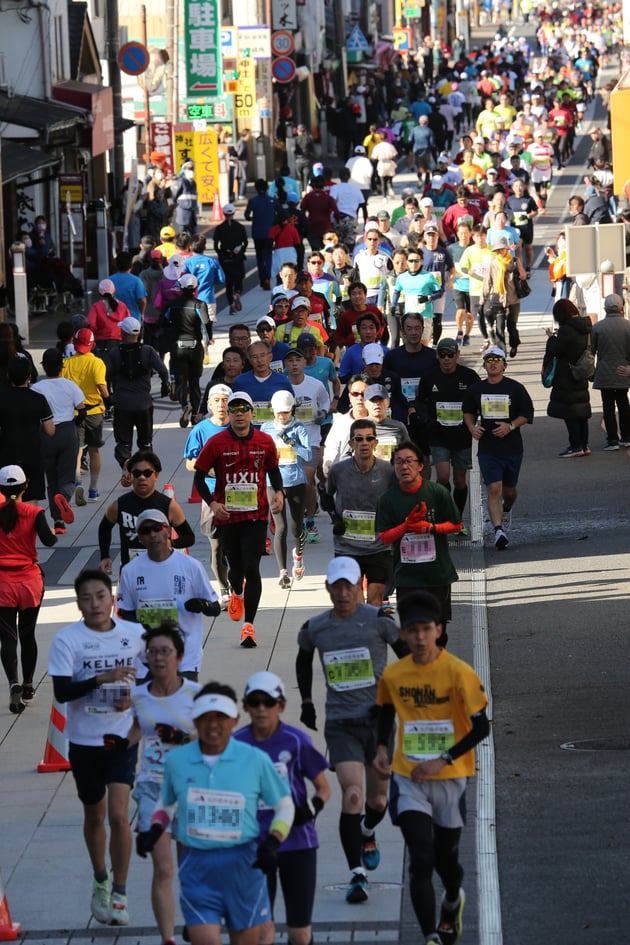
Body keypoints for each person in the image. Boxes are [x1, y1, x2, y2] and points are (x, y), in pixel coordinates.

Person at [136, 681, 294, 945]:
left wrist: (273, 842)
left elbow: (285, 806)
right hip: (197, 865)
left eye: (220, 717)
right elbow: (166, 803)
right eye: (204, 718)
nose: (212, 725)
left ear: (234, 719)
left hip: (243, 864)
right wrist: (154, 830)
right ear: (194, 721)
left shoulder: (255, 760)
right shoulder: (177, 760)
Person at [374, 590, 489, 945]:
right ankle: (429, 937)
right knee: (420, 857)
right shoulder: (394, 674)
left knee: (446, 860)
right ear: (404, 634)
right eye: (413, 631)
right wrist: (381, 747)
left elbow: (482, 726)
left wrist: (445, 758)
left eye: (426, 629)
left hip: (450, 779)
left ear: (438, 630)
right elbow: (386, 710)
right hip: (408, 777)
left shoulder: (459, 673)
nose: (420, 637)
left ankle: (453, 899)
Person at [296, 556, 407, 904]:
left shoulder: (378, 621)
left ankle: (368, 830)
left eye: (349, 586)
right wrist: (307, 703)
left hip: (378, 723)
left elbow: (407, 657)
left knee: (377, 800)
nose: (343, 593)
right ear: (327, 588)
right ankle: (356, 874)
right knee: (353, 796)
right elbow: (302, 658)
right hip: (341, 724)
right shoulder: (315, 627)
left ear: (359, 587)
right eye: (336, 586)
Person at [47, 569, 145, 926]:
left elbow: (149, 679)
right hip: (84, 741)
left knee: (120, 815)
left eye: (101, 596)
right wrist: (100, 679)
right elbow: (62, 692)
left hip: (119, 739)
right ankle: (100, 877)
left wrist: (133, 700)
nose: (95, 604)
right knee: (95, 816)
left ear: (112, 599)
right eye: (87, 598)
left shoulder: (134, 636)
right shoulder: (67, 640)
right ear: (78, 604)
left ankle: (119, 891)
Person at [234, 671, 330, 945]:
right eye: (255, 702)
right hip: (255, 845)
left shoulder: (296, 740)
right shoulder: (237, 744)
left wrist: (310, 810)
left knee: (299, 935)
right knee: (263, 932)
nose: (262, 709)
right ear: (246, 705)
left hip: (297, 843)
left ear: (282, 705)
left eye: (269, 702)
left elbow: (324, 788)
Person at [193, 391, 285, 648]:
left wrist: (279, 492)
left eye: (245, 408)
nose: (240, 413)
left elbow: (273, 470)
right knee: (235, 567)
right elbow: (199, 477)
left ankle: (249, 627)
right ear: (230, 413)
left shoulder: (265, 441)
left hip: (256, 515)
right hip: (227, 516)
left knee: (252, 567)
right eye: (235, 409)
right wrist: (213, 504)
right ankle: (236, 592)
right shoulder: (217, 442)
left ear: (252, 413)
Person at [130, 623, 201, 945]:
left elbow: (215, 739)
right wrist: (114, 746)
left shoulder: (196, 696)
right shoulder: (138, 696)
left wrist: (183, 737)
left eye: (165, 652)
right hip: (152, 788)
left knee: (190, 869)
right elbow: (133, 732)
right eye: (153, 652)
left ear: (179, 657)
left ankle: (194, 920)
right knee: (163, 868)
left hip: (189, 789)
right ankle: (167, 939)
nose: (158, 658)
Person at [116, 509, 220, 680]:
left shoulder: (191, 566)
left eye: (157, 528)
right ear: (139, 538)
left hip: (185, 658)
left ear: (168, 530)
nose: (152, 534)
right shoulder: (130, 571)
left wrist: (202, 604)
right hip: (146, 660)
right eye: (145, 531)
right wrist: (144, 627)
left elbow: (214, 607)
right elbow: (125, 613)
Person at [376, 442, 462, 644]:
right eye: (398, 462)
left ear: (421, 465)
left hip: (437, 576)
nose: (404, 467)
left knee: (438, 634)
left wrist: (431, 528)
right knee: (412, 634)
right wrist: (406, 526)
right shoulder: (387, 499)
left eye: (409, 461)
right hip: (407, 578)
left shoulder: (437, 492)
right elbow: (384, 537)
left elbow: (456, 525)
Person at [462, 346, 534, 551]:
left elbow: (527, 413)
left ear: (504, 365)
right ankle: (498, 531)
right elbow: (467, 411)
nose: (492, 363)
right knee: (494, 488)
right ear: (484, 365)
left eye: (497, 359)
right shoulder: (476, 389)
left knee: (509, 491)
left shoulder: (515, 388)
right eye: (489, 360)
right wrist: (471, 427)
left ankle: (507, 507)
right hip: (488, 448)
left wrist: (510, 426)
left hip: (512, 448)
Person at [0, 465, 56, 713]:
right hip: (29, 581)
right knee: (27, 633)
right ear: (25, 486)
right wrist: (55, 529)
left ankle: (13, 683)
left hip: (3, 583)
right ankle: (29, 685)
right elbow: (49, 540)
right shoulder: (34, 513)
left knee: (7, 636)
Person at [325, 418, 397, 605]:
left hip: (378, 547)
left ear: (375, 443)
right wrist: (335, 519)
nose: (364, 443)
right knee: (355, 603)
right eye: (359, 439)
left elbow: (398, 499)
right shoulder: (338, 470)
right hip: (347, 546)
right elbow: (325, 495)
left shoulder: (388, 471)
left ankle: (371, 632)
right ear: (351, 443)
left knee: (375, 601)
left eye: (369, 438)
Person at [416, 337, 481, 530]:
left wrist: (474, 421)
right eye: (442, 355)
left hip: (461, 436)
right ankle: (444, 514)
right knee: (443, 476)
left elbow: (479, 400)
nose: (446, 359)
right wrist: (427, 419)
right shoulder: (429, 377)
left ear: (457, 356)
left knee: (460, 480)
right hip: (438, 435)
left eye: (450, 355)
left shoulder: (469, 376)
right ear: (437, 355)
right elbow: (420, 401)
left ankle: (457, 519)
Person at [98, 449, 194, 573]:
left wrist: (170, 543)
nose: (142, 477)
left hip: (161, 571)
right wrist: (105, 556)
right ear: (130, 476)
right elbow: (104, 528)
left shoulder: (168, 506)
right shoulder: (119, 505)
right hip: (131, 572)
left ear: (156, 476)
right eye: (137, 473)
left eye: (147, 473)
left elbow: (189, 537)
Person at [32, 348, 86, 534]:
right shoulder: (70, 385)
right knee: (67, 477)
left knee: (52, 479)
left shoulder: (37, 388)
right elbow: (82, 409)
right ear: (62, 367)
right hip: (67, 431)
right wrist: (74, 423)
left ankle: (58, 522)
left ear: (44, 367)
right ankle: (64, 496)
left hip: (45, 434)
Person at [261, 390, 311, 586]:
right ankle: (282, 572)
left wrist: (292, 444)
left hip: (296, 482)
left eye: (286, 412)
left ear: (292, 410)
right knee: (280, 527)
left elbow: (307, 455)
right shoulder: (266, 428)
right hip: (273, 483)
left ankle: (298, 556)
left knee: (297, 526)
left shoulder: (299, 428)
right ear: (273, 410)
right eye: (279, 412)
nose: (282, 416)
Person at [106, 317, 169, 471]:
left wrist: (108, 397)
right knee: (145, 442)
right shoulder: (147, 351)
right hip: (144, 404)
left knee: (123, 442)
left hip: (122, 404)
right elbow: (162, 369)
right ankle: (145, 469)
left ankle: (126, 463)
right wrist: (164, 385)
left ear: (122, 332)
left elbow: (105, 376)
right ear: (139, 333)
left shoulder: (114, 353)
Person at [283, 347, 330, 543]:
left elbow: (326, 402)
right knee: (292, 485)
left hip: (311, 439)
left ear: (304, 363)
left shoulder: (316, 384)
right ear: (285, 365)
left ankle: (310, 521)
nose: (294, 364)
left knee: (307, 480)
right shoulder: (281, 385)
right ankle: (298, 518)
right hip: (287, 442)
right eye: (290, 360)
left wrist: (322, 414)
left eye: (298, 360)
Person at [62, 328, 110, 503]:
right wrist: (109, 400)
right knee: (94, 450)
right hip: (94, 412)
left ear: (74, 344)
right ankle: (93, 489)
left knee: (77, 451)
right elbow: (101, 386)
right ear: (93, 344)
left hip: (73, 413)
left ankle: (78, 483)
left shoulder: (66, 364)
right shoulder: (97, 363)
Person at [0, 356, 54, 502]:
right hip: (32, 455)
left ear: (8, 375)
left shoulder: (2, 398)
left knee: (7, 498)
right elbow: (50, 430)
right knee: (31, 501)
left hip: (7, 454)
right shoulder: (38, 399)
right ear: (29, 376)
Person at [162, 273, 212, 428]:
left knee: (181, 381)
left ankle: (185, 406)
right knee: (195, 382)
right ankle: (196, 414)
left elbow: (163, 322)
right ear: (195, 288)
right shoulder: (199, 304)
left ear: (180, 288)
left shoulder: (172, 304)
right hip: (195, 346)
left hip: (178, 346)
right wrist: (208, 338)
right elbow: (207, 323)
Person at [544, 299, 593, 457]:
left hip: (566, 375)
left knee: (570, 412)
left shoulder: (566, 330)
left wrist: (551, 338)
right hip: (580, 372)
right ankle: (584, 446)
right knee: (582, 412)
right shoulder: (585, 327)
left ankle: (575, 446)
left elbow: (556, 351)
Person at [591, 293, 630, 450]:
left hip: (604, 371)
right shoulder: (628, 326)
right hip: (623, 371)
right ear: (621, 308)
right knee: (624, 403)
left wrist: (591, 371)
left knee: (608, 405)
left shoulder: (597, 327)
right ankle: (627, 436)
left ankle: (612, 440)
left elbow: (592, 351)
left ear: (605, 308)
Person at [232, 340, 294, 426]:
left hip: (275, 433)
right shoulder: (240, 381)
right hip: (249, 433)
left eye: (262, 355)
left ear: (270, 357)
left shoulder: (282, 381)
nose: (259, 360)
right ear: (249, 360)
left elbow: (291, 407)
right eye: (254, 357)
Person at [213, 205, 248, 314]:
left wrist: (221, 253)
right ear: (234, 213)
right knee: (239, 278)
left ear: (224, 214)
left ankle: (231, 305)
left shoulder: (219, 228)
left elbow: (216, 245)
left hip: (225, 259)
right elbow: (245, 243)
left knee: (228, 283)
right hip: (237, 258)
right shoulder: (240, 227)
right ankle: (237, 293)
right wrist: (240, 251)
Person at [183, 234, 225, 323]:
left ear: (190, 247)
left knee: (193, 325)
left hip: (192, 300)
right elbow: (221, 279)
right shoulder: (212, 261)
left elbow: (182, 280)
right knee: (208, 326)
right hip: (208, 298)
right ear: (205, 247)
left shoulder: (187, 262)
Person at [245, 179, 278, 289]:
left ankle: (262, 279)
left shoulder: (253, 201)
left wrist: (252, 218)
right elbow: (280, 213)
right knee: (268, 255)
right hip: (270, 233)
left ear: (256, 189)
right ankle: (268, 277)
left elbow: (246, 215)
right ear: (267, 188)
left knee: (259, 257)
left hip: (257, 233)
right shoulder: (272, 200)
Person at [87, 279, 130, 358]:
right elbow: (128, 323)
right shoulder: (123, 306)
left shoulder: (96, 306)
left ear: (100, 292)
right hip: (119, 342)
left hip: (100, 343)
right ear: (114, 291)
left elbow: (91, 324)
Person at [108, 253, 148, 323]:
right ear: (131, 265)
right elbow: (142, 300)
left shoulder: (109, 280)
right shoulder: (136, 281)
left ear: (116, 265)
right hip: (133, 318)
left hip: (113, 319)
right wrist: (141, 313)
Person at [171, 161, 199, 234]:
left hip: (192, 214)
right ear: (184, 171)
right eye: (189, 170)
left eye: (192, 170)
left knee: (193, 235)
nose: (191, 172)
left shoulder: (193, 183)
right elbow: (174, 195)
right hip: (182, 213)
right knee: (182, 235)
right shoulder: (180, 181)